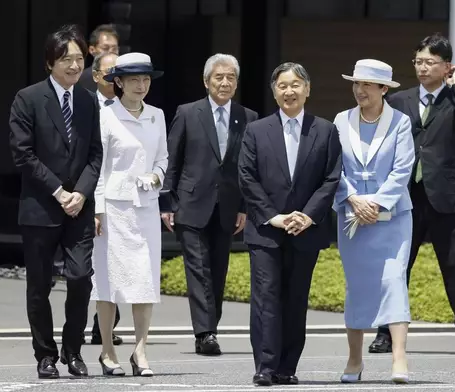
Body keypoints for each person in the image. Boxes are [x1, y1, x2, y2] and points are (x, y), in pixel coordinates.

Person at [368, 33, 455, 357]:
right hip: (405, 196)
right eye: (418, 61)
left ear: (446, 66)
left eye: (430, 62)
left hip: (445, 196)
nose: (422, 67)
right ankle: (384, 333)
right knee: (396, 266)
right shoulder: (399, 100)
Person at [238, 62, 342, 386]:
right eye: (282, 85)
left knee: (296, 299)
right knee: (266, 298)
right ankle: (265, 367)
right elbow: (246, 176)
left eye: (296, 84)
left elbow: (331, 178)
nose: (289, 91)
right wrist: (275, 216)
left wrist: (307, 216)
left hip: (305, 230)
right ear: (274, 91)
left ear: (307, 90)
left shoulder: (324, 130)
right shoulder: (256, 129)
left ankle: (287, 366)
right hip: (267, 230)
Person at [8, 24, 102, 379]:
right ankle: (45, 354)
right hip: (40, 208)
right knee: (39, 286)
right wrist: (58, 191)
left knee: (80, 278)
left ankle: (73, 350)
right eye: (67, 59)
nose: (75, 66)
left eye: (79, 58)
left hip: (78, 206)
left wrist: (81, 192)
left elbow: (96, 153)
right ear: (50, 62)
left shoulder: (89, 100)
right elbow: (22, 154)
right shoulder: (27, 99)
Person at [161, 53, 258, 356]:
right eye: (219, 77)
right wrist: (167, 202)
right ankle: (205, 332)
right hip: (190, 204)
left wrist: (244, 206)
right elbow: (172, 160)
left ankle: (209, 328)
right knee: (198, 268)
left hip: (228, 207)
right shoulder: (188, 113)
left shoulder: (248, 117)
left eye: (230, 77)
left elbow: (248, 167)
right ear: (206, 82)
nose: (225, 82)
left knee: (218, 270)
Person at [333, 60, 413, 384]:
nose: (360, 90)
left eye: (367, 84)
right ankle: (354, 358)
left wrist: (377, 201)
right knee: (357, 287)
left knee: (394, 280)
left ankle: (399, 358)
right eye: (356, 83)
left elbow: (403, 168)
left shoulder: (401, 122)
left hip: (393, 218)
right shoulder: (341, 120)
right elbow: (332, 167)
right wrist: (354, 199)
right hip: (352, 216)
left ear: (383, 89)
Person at [91, 52, 167, 377]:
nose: (141, 85)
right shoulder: (105, 116)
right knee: (109, 283)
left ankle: (141, 350)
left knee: (144, 281)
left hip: (146, 208)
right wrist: (96, 209)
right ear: (118, 83)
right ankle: (108, 350)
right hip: (113, 209)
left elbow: (163, 158)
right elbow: (97, 167)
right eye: (134, 79)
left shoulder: (157, 115)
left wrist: (157, 176)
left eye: (146, 78)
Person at [88, 51, 124, 347]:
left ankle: (105, 327)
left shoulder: (136, 108)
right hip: (87, 194)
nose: (114, 78)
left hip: (122, 200)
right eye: (109, 72)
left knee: (117, 264)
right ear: (96, 76)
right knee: (90, 267)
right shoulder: (86, 105)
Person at [79, 24, 120, 92]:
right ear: (92, 50)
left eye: (114, 49)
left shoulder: (125, 77)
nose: (110, 52)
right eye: (105, 48)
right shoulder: (81, 79)